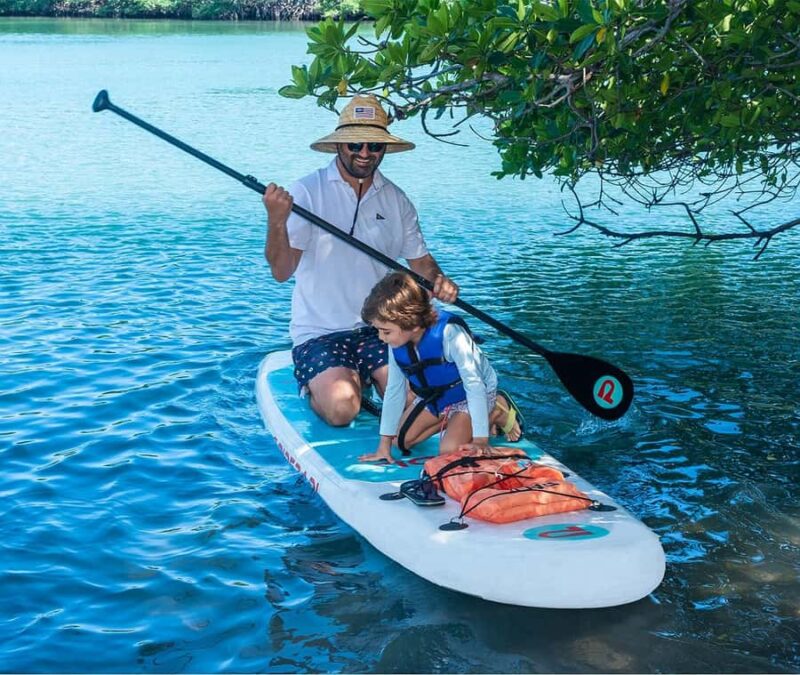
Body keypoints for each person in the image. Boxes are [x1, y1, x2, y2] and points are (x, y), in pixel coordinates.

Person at [263, 94, 459, 426]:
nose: (365, 153)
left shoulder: (396, 199)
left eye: (374, 145)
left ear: (384, 149)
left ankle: (364, 377)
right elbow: (281, 272)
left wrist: (439, 280)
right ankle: (321, 386)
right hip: (319, 332)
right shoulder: (308, 192)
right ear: (340, 145)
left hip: (381, 328)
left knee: (417, 405)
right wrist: (276, 220)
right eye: (355, 144)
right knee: (343, 409)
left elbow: (422, 263)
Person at [358, 272, 524, 464]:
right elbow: (395, 390)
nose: (381, 337)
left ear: (412, 325)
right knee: (398, 441)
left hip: (471, 394)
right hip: (437, 397)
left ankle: (495, 409)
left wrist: (480, 439)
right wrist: (384, 446)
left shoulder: (451, 335)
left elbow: (475, 385)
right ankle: (459, 420)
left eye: (386, 332)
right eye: (379, 331)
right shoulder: (396, 339)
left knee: (450, 452)